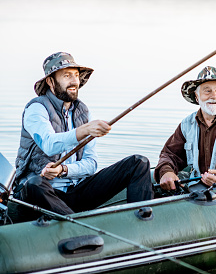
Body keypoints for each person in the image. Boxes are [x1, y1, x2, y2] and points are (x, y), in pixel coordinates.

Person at [14, 52, 153, 215]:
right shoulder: (36, 109)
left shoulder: (84, 112)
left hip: (76, 193)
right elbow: (49, 145)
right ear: (50, 82)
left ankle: (143, 222)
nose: (74, 81)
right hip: (43, 195)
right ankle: (78, 225)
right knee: (34, 184)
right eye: (66, 75)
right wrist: (85, 130)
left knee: (138, 163)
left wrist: (64, 170)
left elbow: (91, 163)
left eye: (76, 75)